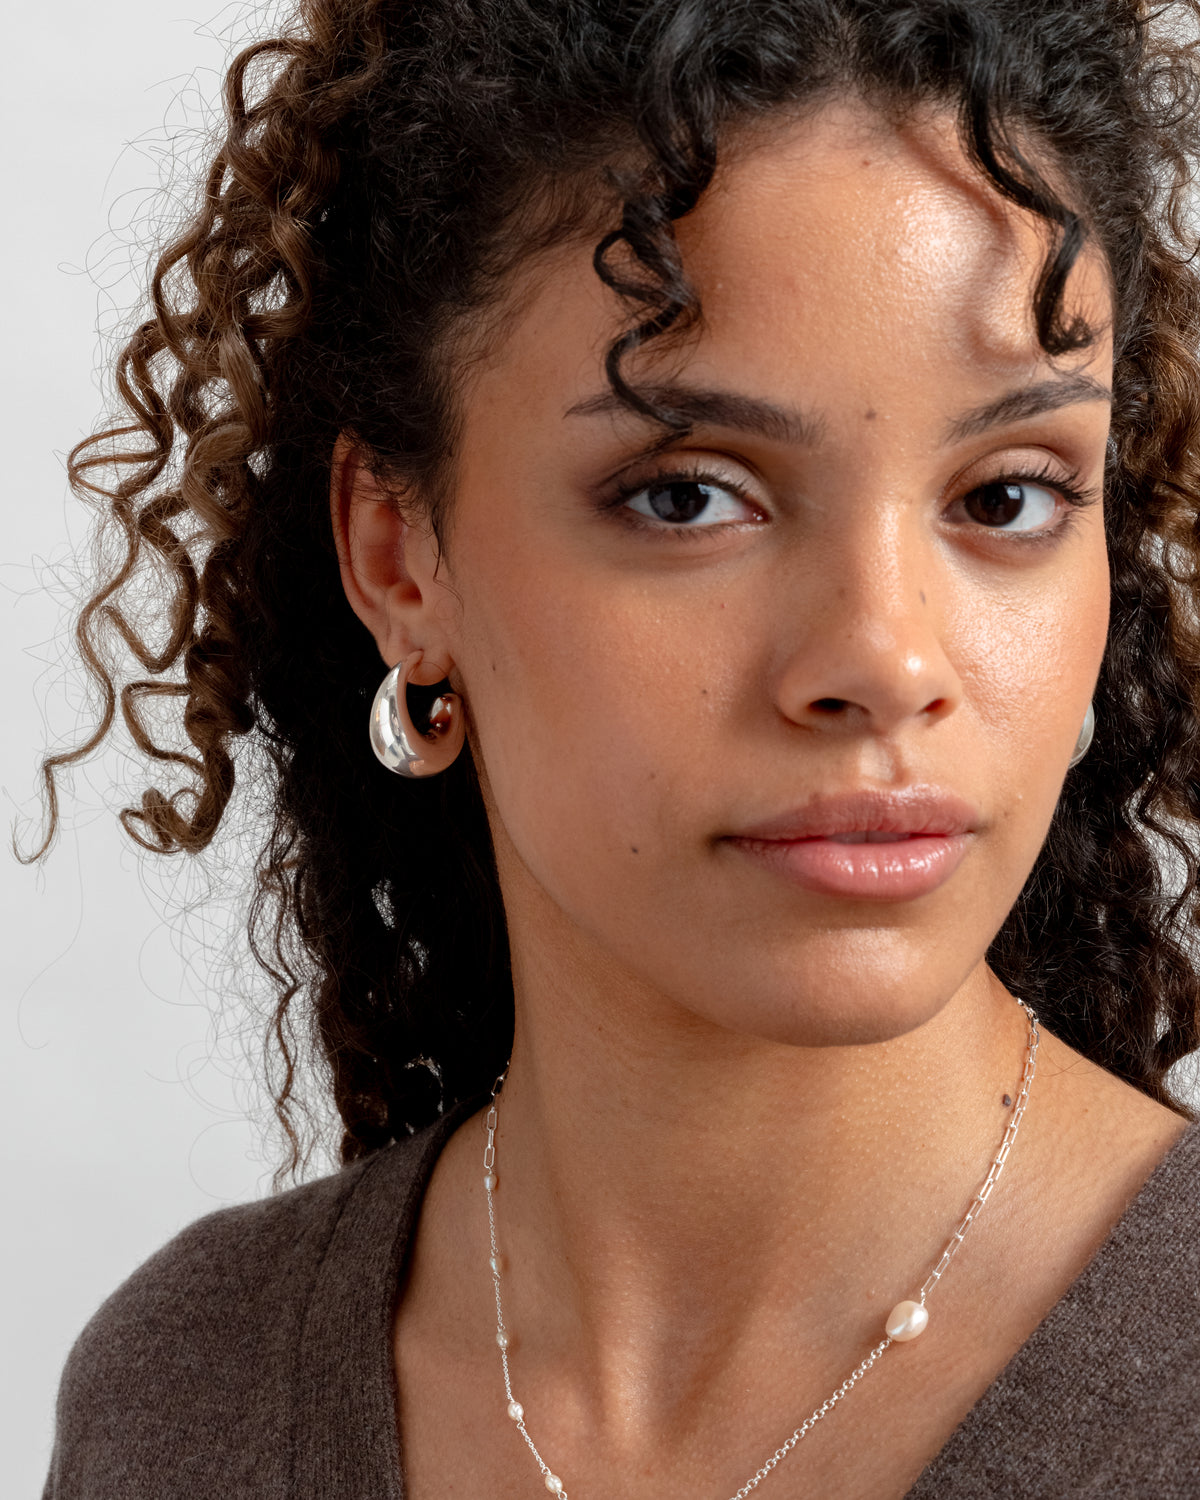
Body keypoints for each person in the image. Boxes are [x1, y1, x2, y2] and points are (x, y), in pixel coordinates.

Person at [34, 0, 1200, 1494]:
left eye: (1008, 496)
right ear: (400, 557)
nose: (886, 662)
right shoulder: (187, 1395)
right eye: (687, 495)